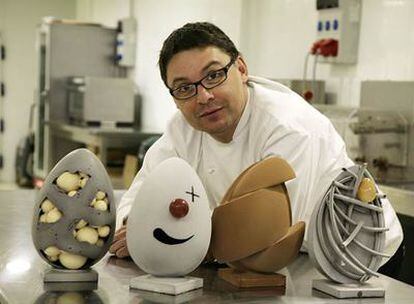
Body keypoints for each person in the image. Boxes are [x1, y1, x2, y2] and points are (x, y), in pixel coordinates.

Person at [109, 22, 403, 261]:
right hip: (267, 260)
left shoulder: (286, 126)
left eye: (213, 75)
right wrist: (133, 227)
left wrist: (163, 233)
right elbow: (143, 191)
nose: (204, 96)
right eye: (185, 87)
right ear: (174, 98)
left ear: (241, 69)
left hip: (356, 254)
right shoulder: (182, 129)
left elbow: (268, 228)